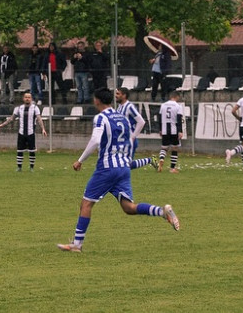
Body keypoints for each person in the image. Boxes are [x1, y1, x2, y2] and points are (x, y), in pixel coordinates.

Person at [58, 87, 180, 252]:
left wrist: (80, 161)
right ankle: (162, 212)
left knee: (86, 204)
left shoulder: (101, 117)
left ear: (97, 100)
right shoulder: (122, 118)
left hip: (107, 168)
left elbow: (95, 141)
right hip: (123, 168)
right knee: (128, 207)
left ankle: (77, 245)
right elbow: (130, 139)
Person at [0, 91, 44, 171]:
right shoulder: (19, 108)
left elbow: (39, 119)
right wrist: (2, 125)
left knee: (32, 151)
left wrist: (43, 129)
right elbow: (11, 118)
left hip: (31, 133)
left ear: (31, 99)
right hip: (21, 133)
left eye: (29, 97)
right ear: (23, 99)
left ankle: (31, 167)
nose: (27, 99)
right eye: (26, 97)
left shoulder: (35, 108)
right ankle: (19, 167)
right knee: (19, 150)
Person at [114, 86, 153, 170]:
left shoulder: (129, 107)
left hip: (129, 140)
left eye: (118, 94)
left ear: (124, 96)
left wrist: (133, 136)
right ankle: (150, 160)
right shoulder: (120, 106)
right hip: (121, 140)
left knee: (126, 165)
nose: (115, 95)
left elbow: (141, 121)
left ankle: (150, 160)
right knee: (122, 164)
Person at [156, 89, 186, 173]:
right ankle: (172, 168)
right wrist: (180, 131)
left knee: (164, 148)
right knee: (174, 148)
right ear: (177, 97)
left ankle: (161, 159)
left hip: (165, 130)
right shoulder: (177, 106)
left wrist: (160, 129)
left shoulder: (163, 105)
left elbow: (160, 118)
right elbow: (179, 119)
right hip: (174, 130)